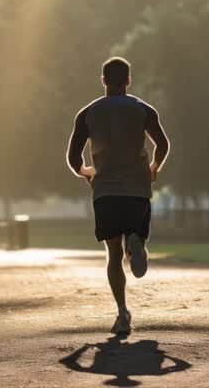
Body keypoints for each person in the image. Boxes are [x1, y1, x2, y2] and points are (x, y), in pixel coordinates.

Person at [66, 56, 170, 335]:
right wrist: (154, 168)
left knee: (113, 253)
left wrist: (88, 173)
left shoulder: (87, 113)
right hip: (137, 187)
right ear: (128, 81)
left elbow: (73, 157)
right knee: (135, 231)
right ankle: (137, 241)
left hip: (106, 190)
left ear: (103, 80)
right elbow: (162, 144)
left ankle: (123, 313)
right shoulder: (144, 110)